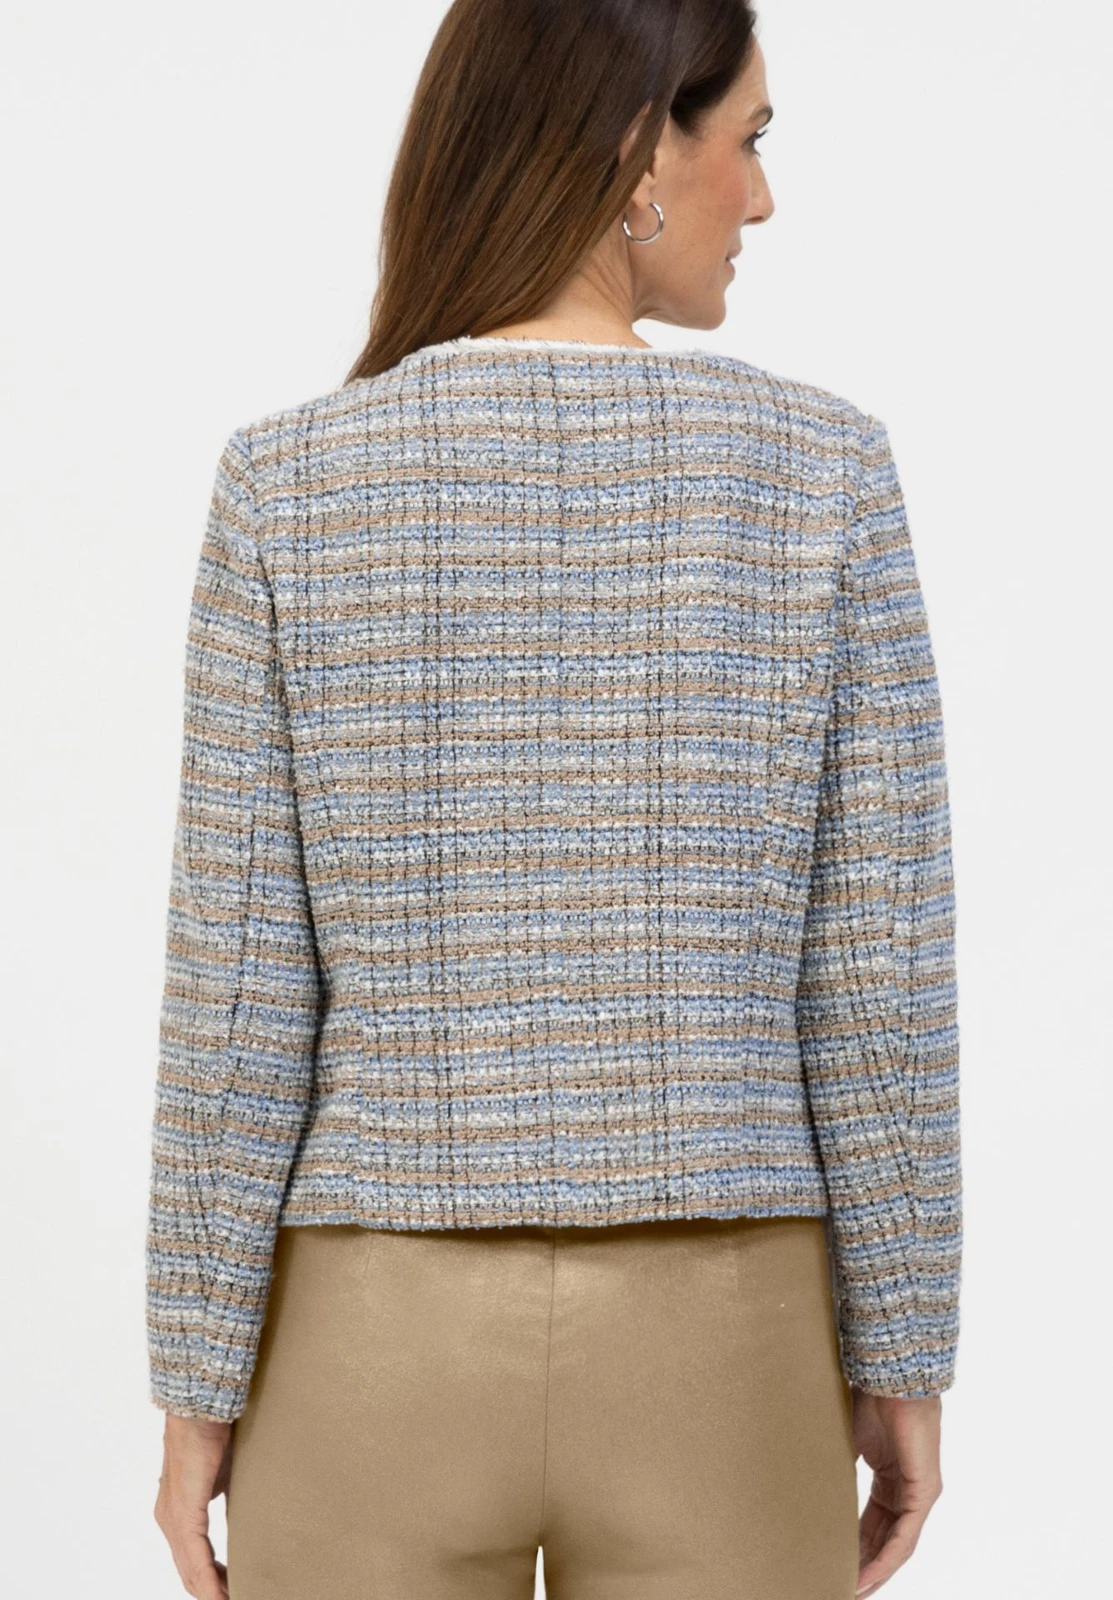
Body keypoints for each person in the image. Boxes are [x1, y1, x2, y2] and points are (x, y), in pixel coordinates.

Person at [147, 2, 962, 1597]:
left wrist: (196, 1382)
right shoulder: (825, 475)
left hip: (370, 1345)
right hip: (726, 1345)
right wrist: (905, 1352)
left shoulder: (290, 484)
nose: (764, 195)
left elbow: (238, 993)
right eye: (750, 142)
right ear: (640, 149)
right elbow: (877, 976)